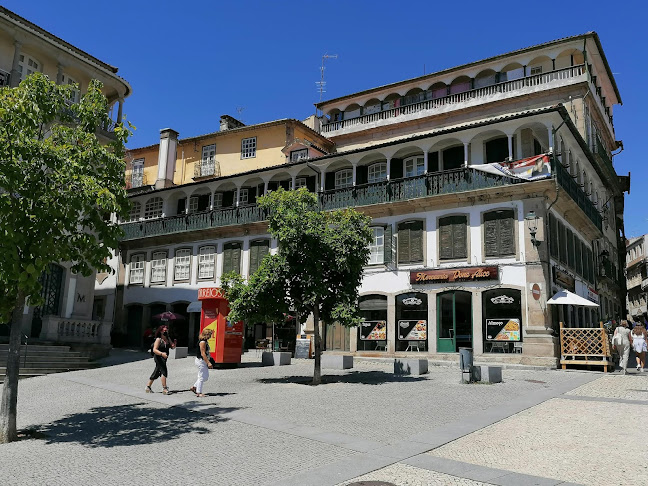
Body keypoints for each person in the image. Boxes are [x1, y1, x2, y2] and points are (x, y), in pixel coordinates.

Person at [145, 325, 176, 394]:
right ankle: (164, 388)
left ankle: (148, 386)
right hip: (159, 357)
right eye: (164, 330)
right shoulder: (158, 339)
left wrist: (174, 345)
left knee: (157, 371)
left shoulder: (168, 338)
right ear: (161, 331)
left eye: (167, 330)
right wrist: (162, 354)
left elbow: (172, 347)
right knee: (164, 371)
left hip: (164, 357)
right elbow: (154, 350)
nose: (166, 332)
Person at [190, 328, 214, 397]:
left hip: (202, 360)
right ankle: (199, 392)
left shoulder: (204, 341)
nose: (210, 336)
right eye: (210, 334)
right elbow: (203, 353)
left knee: (205, 376)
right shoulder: (202, 342)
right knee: (202, 376)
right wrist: (208, 362)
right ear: (207, 334)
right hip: (201, 361)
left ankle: (194, 387)